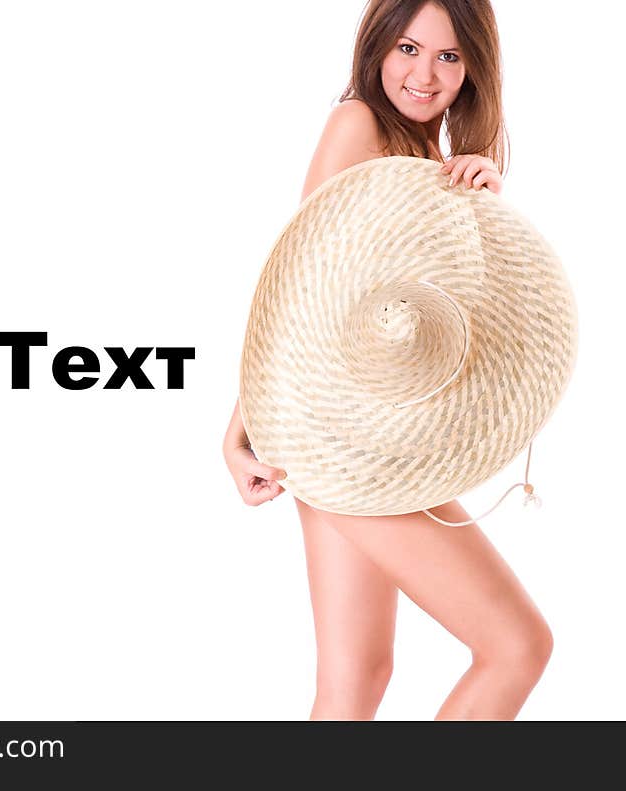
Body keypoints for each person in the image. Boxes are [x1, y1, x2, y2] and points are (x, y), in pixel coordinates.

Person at [222, 0, 554, 721]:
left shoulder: (431, 158)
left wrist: (478, 200)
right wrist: (242, 427)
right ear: (376, 45)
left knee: (357, 679)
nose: (424, 74)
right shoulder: (358, 125)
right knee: (516, 645)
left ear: (473, 69)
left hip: (360, 437)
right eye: (408, 48)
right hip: (335, 435)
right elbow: (299, 285)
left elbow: (458, 317)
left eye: (448, 57)